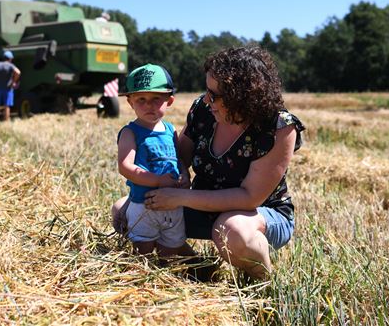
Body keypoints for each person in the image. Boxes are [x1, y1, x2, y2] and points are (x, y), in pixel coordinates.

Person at [112, 46, 305, 279]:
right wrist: (173, 179)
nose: (206, 99)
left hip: (256, 213)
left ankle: (263, 283)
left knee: (231, 231)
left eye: (214, 94)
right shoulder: (203, 110)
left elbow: (250, 197)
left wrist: (180, 197)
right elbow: (180, 157)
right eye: (207, 91)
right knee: (124, 210)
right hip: (201, 204)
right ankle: (199, 267)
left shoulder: (279, 127)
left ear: (240, 96)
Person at [117, 64, 189, 257]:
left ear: (169, 100)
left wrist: (184, 174)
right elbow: (125, 167)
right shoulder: (130, 132)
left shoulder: (170, 130)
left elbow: (178, 158)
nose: (149, 105)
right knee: (143, 250)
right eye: (141, 99)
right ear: (130, 102)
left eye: (156, 99)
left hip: (173, 204)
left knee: (171, 250)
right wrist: (157, 181)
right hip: (143, 204)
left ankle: (168, 281)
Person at [0, 50, 21, 122]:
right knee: (6, 106)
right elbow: (18, 72)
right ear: (10, 59)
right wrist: (13, 81)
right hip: (8, 89)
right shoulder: (10, 66)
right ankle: (6, 122)